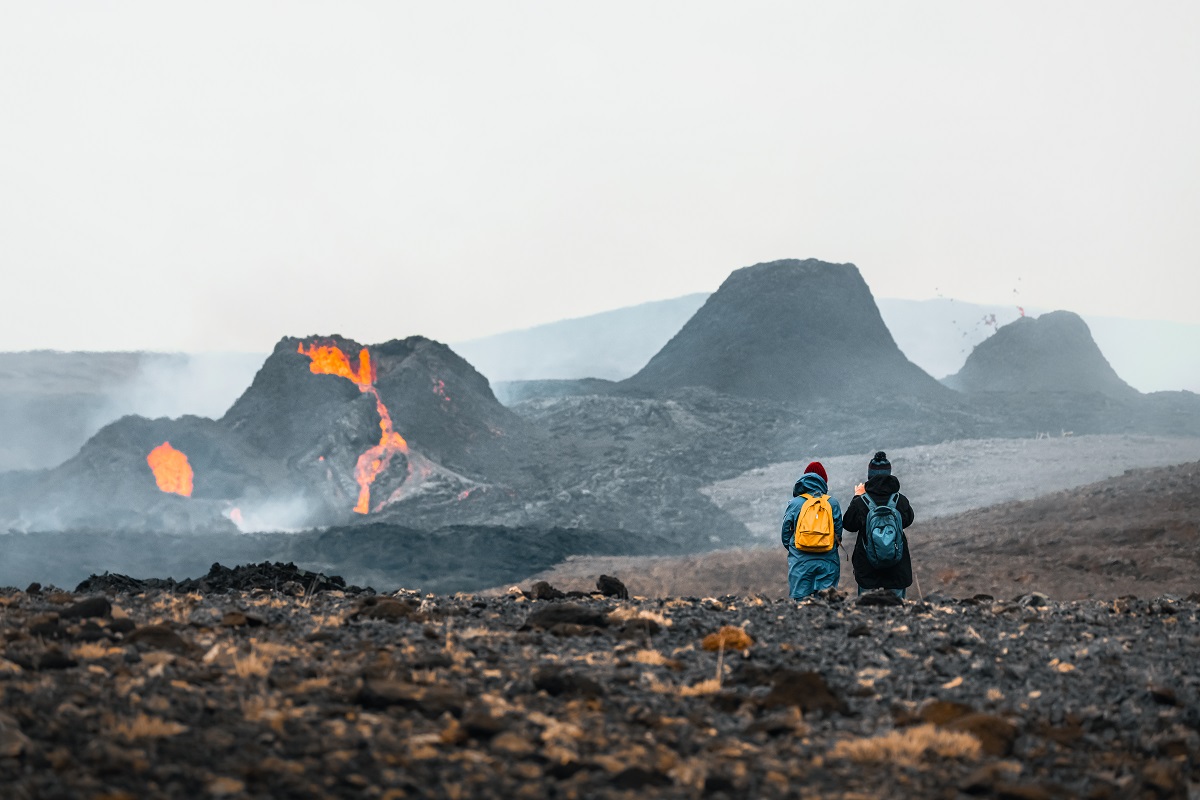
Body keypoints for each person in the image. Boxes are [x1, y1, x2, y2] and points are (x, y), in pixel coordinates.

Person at [843, 451, 916, 599]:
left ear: (870, 475)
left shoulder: (861, 502)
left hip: (868, 569)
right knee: (898, 612)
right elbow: (908, 520)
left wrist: (857, 496)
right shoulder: (900, 500)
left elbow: (848, 524)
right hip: (896, 566)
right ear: (889, 473)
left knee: (867, 611)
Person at [781, 461, 843, 599]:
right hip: (828, 559)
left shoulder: (795, 503)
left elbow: (786, 533)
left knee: (800, 601)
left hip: (800, 560)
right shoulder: (832, 503)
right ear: (824, 481)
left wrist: (795, 548)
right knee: (827, 601)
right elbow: (838, 533)